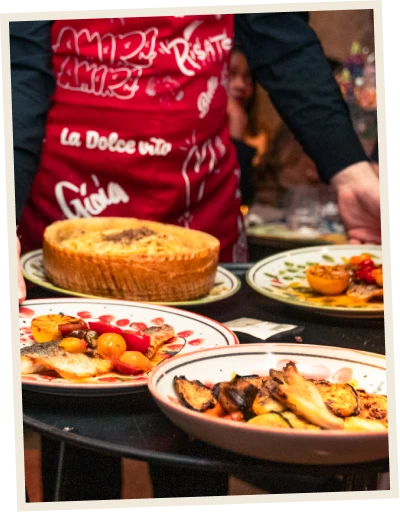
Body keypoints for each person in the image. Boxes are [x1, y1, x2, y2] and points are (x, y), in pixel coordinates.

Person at [12, 12, 381, 500]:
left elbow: (284, 42)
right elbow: (17, 62)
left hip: (198, 212)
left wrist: (348, 168)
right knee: (77, 432)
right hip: (70, 218)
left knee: (203, 414)